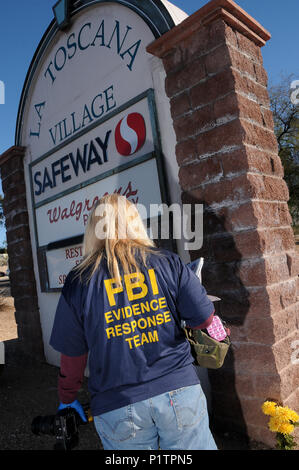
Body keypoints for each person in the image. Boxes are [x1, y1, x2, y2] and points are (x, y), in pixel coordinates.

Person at [49, 194, 217, 450]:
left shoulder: (79, 280)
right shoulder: (168, 262)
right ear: (135, 221)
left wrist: (67, 397)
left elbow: (72, 354)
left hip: (117, 405)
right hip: (178, 392)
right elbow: (205, 319)